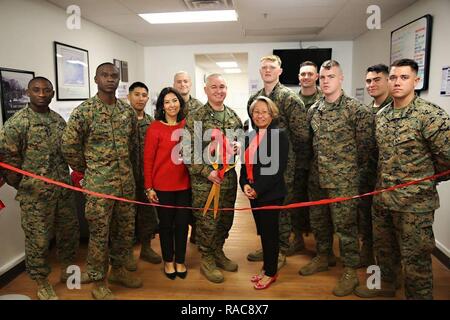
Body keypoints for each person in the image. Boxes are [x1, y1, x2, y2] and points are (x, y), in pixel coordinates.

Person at [355, 59, 450, 300]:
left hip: (415, 206)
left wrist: (422, 179)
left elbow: (447, 160)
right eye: (394, 77)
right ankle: (386, 284)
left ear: (416, 81)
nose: (397, 82)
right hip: (383, 199)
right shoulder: (382, 115)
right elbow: (379, 156)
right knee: (383, 251)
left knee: (416, 260)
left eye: (404, 77)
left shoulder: (430, 115)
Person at [61, 62, 142, 300]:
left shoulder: (127, 112)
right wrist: (87, 169)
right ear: (95, 79)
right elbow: (69, 146)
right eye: (104, 75)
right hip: (99, 187)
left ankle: (118, 271)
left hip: (125, 185)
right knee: (99, 235)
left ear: (119, 80)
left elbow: (133, 146)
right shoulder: (84, 111)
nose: (110, 79)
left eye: (114, 76)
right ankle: (98, 281)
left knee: (124, 232)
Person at [299, 60, 376, 297]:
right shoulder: (314, 109)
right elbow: (311, 145)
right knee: (319, 222)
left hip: (345, 181)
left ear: (341, 78)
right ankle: (324, 256)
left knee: (346, 228)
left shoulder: (357, 110)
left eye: (330, 76)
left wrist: (356, 181)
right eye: (322, 77)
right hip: (317, 179)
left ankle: (350, 271)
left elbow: (367, 151)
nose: (325, 81)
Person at [0, 77, 79, 300]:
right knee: (38, 240)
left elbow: (66, 152)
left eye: (46, 90)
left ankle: (67, 270)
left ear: (53, 93)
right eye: (37, 90)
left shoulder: (58, 120)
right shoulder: (17, 123)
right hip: (35, 197)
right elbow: (7, 161)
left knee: (68, 233)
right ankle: (41, 281)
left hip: (63, 190)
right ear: (28, 92)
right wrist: (26, 185)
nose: (42, 94)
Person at [246, 55, 309, 270]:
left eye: (271, 67)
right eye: (263, 67)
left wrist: (292, 165)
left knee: (279, 212)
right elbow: (254, 131)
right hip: (258, 165)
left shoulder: (290, 99)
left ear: (280, 71)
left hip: (283, 167)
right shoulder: (254, 98)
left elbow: (301, 136)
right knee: (261, 210)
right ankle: (268, 246)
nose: (267, 70)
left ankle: (280, 250)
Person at [184, 73, 243, 283]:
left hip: (227, 180)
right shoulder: (196, 117)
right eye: (214, 87)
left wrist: (238, 146)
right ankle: (207, 258)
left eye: (223, 86)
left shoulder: (233, 116)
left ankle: (218, 251)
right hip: (205, 182)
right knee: (208, 222)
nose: (219, 90)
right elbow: (186, 151)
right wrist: (205, 172)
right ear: (206, 90)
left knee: (226, 220)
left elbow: (239, 142)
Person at [240, 96, 289, 290]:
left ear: (272, 114)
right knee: (263, 232)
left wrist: (257, 189)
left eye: (264, 112)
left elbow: (277, 170)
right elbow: (244, 168)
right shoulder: (249, 136)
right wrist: (244, 184)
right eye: (256, 112)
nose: (260, 115)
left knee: (270, 234)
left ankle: (271, 272)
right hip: (253, 192)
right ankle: (267, 267)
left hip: (270, 193)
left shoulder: (279, 135)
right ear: (252, 114)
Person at [144, 87, 191, 280]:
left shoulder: (187, 125)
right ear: (162, 106)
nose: (172, 105)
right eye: (167, 102)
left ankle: (180, 260)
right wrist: (149, 187)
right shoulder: (155, 127)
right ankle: (168, 261)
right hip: (162, 186)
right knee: (166, 226)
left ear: (180, 103)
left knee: (182, 225)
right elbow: (148, 160)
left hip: (184, 185)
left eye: (175, 100)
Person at [356, 64, 393, 267]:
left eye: (377, 79)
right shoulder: (367, 111)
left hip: (388, 182)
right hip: (367, 178)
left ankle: (387, 274)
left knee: (386, 232)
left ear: (388, 81)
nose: (371, 84)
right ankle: (367, 254)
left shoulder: (394, 108)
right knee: (366, 220)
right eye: (369, 80)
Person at [287, 61, 324, 257]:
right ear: (299, 77)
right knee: (295, 202)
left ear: (316, 76)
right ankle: (298, 239)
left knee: (319, 206)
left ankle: (322, 248)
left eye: (310, 74)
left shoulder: (324, 99)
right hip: (297, 163)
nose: (306, 77)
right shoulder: (293, 100)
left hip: (319, 164)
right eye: (303, 74)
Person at [125, 81, 162, 270]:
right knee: (127, 218)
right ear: (129, 96)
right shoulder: (121, 120)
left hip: (147, 179)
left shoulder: (152, 123)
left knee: (148, 215)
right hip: (125, 179)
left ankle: (146, 248)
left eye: (144, 95)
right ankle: (127, 255)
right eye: (137, 94)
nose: (140, 98)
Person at [173, 71, 203, 243]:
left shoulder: (198, 106)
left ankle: (197, 233)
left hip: (193, 159)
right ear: (174, 84)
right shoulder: (170, 103)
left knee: (195, 197)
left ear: (190, 84)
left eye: (185, 81)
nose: (183, 84)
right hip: (174, 159)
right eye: (179, 82)